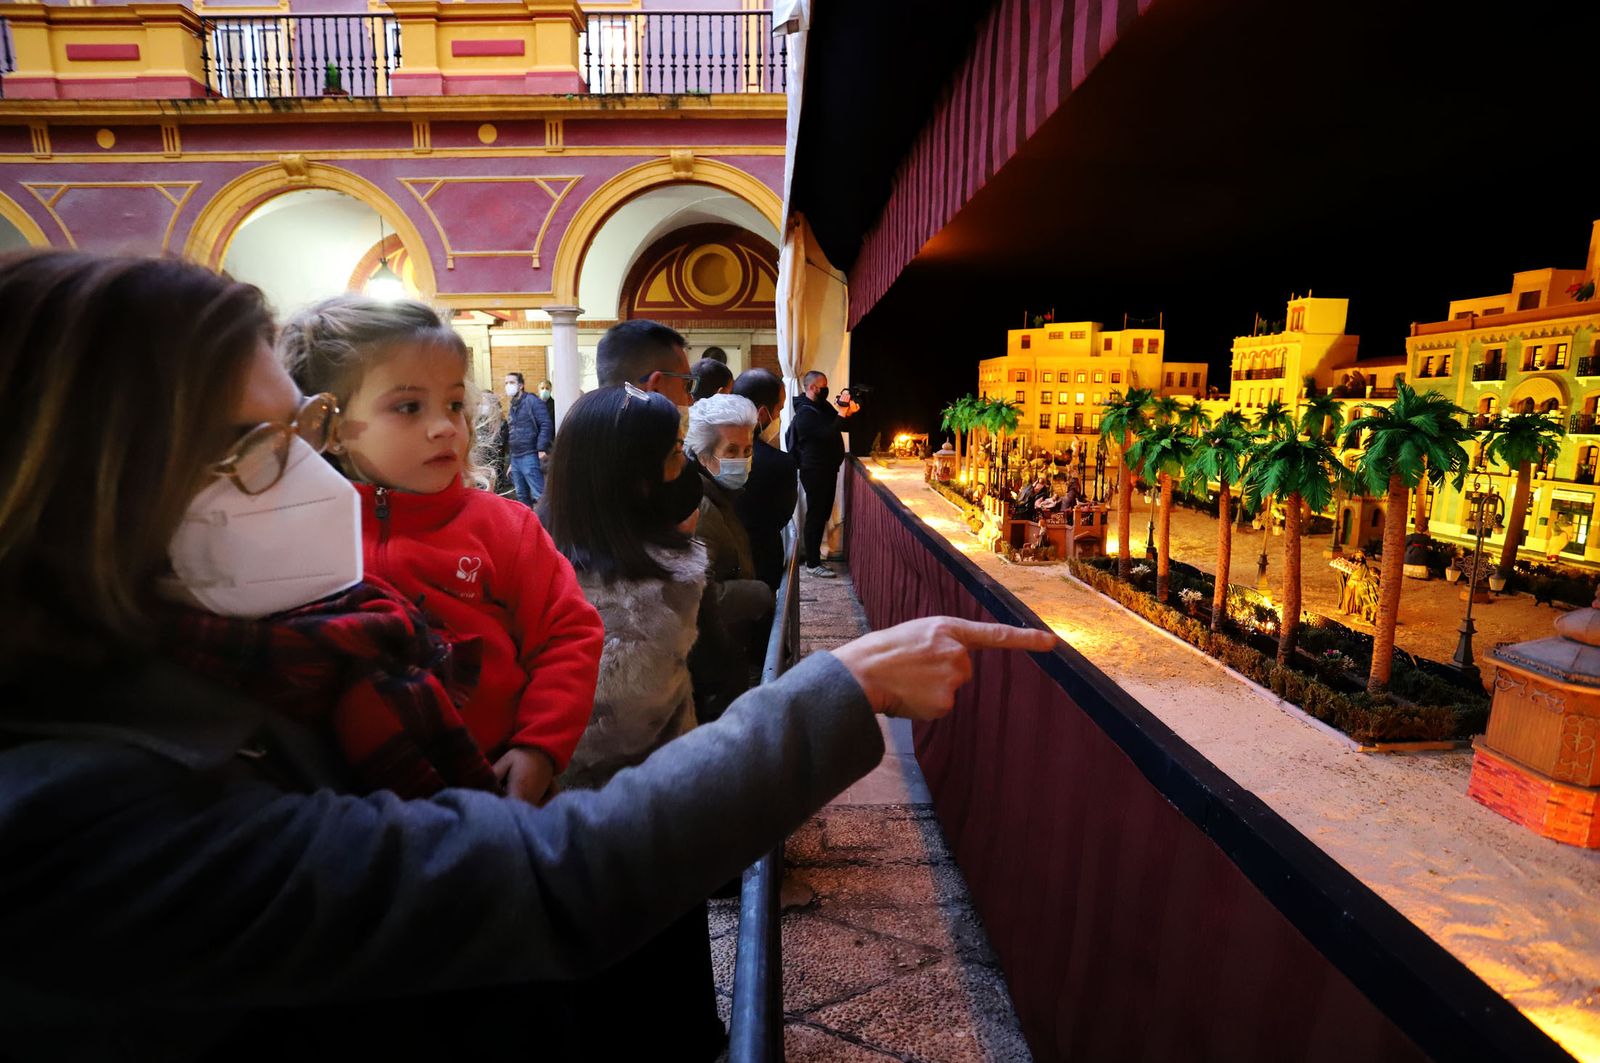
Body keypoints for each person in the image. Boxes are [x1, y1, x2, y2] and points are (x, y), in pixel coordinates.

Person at [0, 250, 1056, 1058]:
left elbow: (564, 643)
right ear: (90, 488)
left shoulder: (263, 650)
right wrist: (837, 688)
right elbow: (548, 875)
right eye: (259, 447)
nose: (314, 477)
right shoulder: (73, 814)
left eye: (304, 431)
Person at [280, 295, 604, 805]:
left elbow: (569, 633)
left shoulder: (504, 526)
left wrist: (539, 746)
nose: (446, 426)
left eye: (454, 404)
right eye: (409, 407)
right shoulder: (296, 534)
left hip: (494, 781)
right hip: (351, 798)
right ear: (331, 429)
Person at [540, 384, 725, 1057]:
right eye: (673, 453)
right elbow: (617, 717)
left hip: (562, 812)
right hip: (638, 813)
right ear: (633, 475)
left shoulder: (540, 555)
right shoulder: (659, 575)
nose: (685, 466)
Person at [685, 394, 774, 721]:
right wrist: (756, 594)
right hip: (712, 664)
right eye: (731, 451)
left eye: (747, 450)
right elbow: (697, 596)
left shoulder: (721, 494)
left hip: (727, 650)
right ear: (704, 456)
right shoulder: (702, 509)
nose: (742, 460)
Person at [731, 368, 799, 590]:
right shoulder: (779, 464)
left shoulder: (704, 449)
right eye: (779, 409)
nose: (779, 417)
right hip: (760, 563)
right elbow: (780, 517)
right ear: (762, 414)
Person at [787, 370, 858, 578]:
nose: (826, 389)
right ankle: (812, 563)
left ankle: (815, 558)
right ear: (812, 387)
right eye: (823, 386)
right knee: (816, 515)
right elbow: (826, 435)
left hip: (827, 468)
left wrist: (848, 412)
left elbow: (841, 426)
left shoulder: (822, 406)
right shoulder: (804, 412)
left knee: (822, 514)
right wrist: (841, 413)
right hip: (815, 470)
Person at [503, 370, 554, 507]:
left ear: (520, 385)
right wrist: (512, 461)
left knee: (539, 495)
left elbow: (545, 423)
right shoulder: (513, 405)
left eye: (511, 382)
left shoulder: (532, 401)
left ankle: (547, 520)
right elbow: (513, 433)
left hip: (530, 455)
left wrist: (541, 448)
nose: (508, 386)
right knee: (521, 495)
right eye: (506, 383)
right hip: (517, 458)